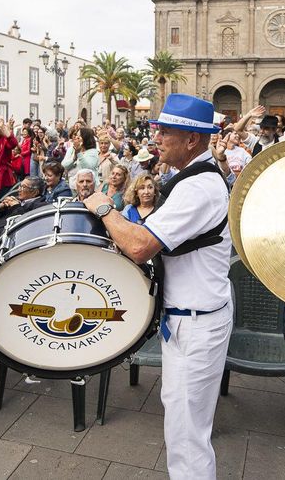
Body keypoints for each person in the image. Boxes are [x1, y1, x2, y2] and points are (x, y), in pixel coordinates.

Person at [82, 93, 231, 480]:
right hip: (188, 317)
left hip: (196, 323)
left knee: (188, 435)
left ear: (192, 140)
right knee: (182, 422)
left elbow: (138, 246)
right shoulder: (195, 178)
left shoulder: (198, 188)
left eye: (165, 132)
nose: (156, 138)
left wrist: (103, 207)